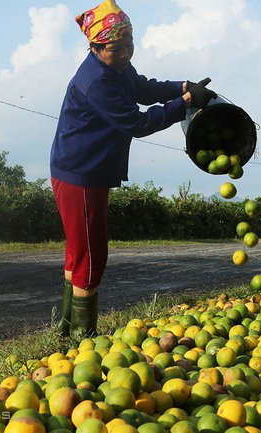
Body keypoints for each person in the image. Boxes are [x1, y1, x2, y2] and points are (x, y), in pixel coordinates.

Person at [49, 0, 217, 338]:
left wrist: (182, 87)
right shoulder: (97, 82)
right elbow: (138, 123)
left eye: (130, 44)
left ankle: (66, 331)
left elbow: (142, 88)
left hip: (85, 171)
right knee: (92, 257)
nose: (126, 52)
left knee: (79, 252)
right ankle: (82, 340)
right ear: (96, 47)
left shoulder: (115, 67)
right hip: (81, 174)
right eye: (117, 47)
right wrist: (182, 105)